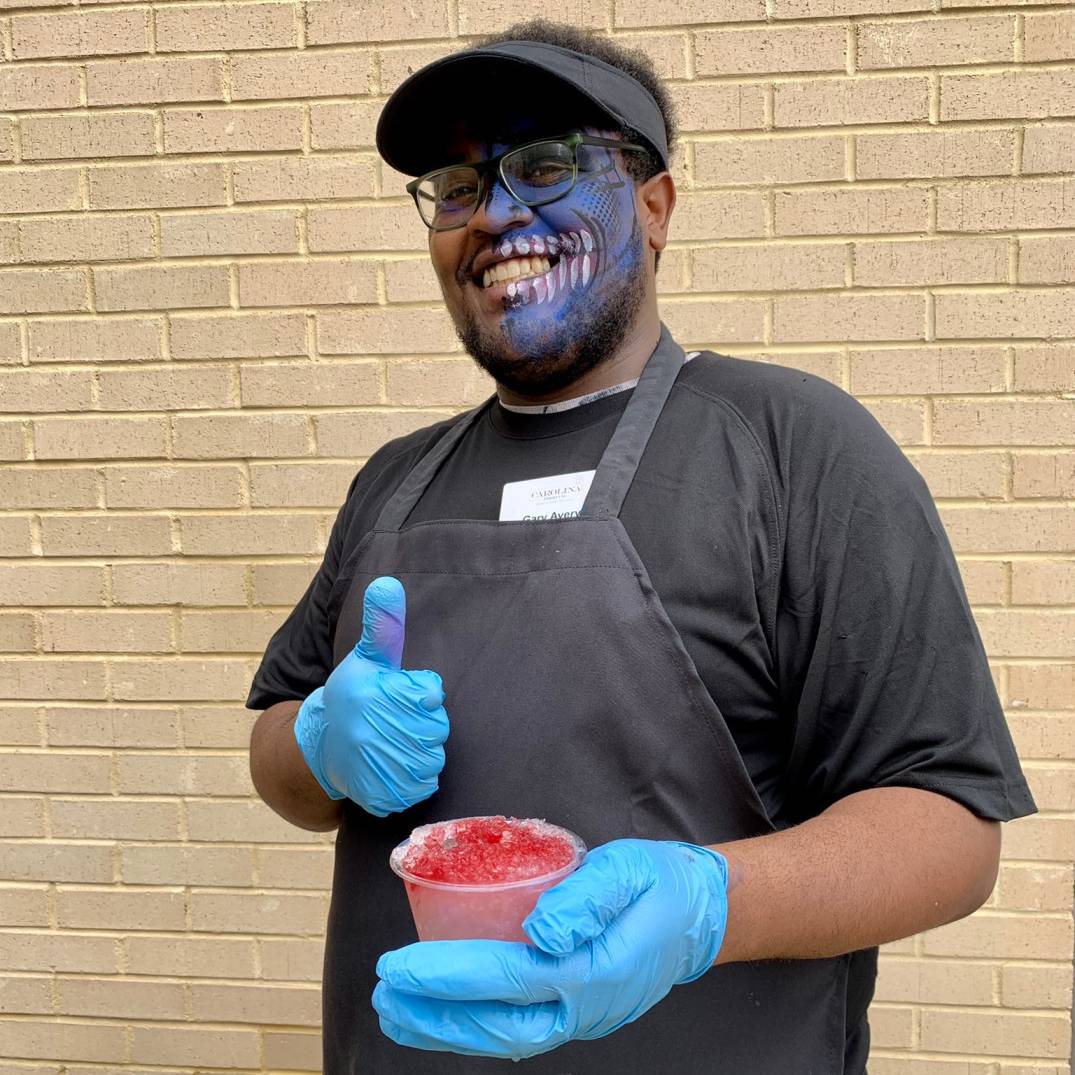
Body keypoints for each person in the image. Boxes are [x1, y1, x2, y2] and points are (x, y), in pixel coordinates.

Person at [246, 20, 1035, 1074]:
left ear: (654, 207)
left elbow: (948, 825)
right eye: (457, 184)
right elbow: (279, 760)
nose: (496, 215)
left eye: (545, 165)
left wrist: (709, 905)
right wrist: (317, 744)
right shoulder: (395, 478)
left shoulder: (793, 445)